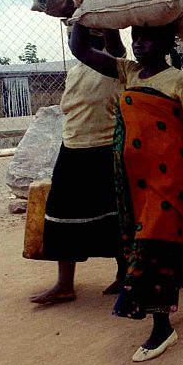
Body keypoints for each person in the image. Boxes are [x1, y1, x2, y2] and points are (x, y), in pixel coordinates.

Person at [69, 22, 183, 362]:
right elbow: (81, 50)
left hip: (173, 181)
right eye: (136, 37)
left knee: (154, 245)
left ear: (165, 42)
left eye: (148, 38)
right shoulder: (128, 72)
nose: (139, 44)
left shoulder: (182, 82)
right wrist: (84, 14)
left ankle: (163, 327)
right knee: (173, 246)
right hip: (137, 183)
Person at [30, 29, 126, 305]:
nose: (72, 37)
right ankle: (64, 284)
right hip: (72, 147)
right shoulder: (77, 69)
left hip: (104, 148)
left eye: (76, 34)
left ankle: (124, 274)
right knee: (61, 214)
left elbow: (113, 39)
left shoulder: (114, 61)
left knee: (114, 215)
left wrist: (96, 14)